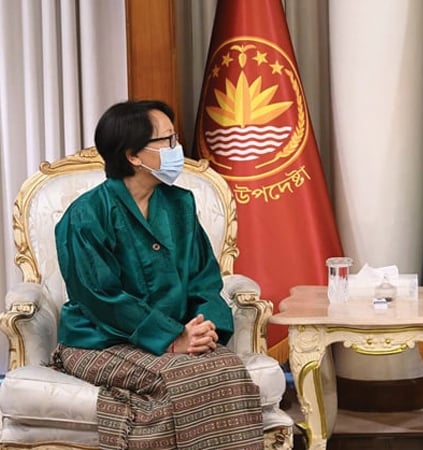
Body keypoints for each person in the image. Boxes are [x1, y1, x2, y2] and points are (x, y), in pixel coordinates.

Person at [49, 100, 263, 449]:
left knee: (228, 367)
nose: (177, 149)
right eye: (168, 141)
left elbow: (204, 278)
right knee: (182, 379)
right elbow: (101, 298)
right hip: (99, 340)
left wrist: (205, 328)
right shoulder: (86, 215)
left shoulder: (181, 204)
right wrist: (171, 339)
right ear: (134, 155)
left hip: (179, 334)